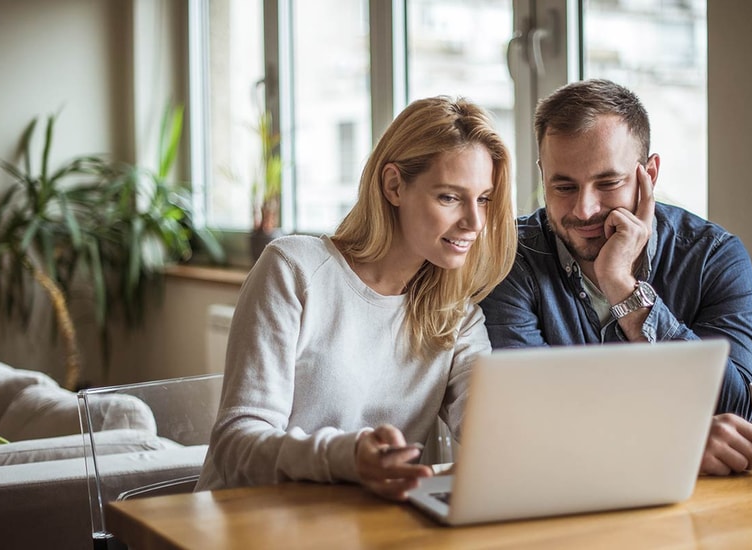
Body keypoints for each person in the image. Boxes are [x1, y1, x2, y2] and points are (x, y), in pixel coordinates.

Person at [196, 96, 516, 500]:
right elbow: (234, 445)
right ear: (394, 185)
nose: (474, 222)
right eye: (450, 197)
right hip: (247, 523)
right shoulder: (294, 270)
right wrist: (346, 458)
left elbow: (488, 428)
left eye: (483, 199)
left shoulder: (457, 315)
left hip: (360, 527)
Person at [479, 79, 752, 476]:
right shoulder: (510, 256)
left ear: (649, 174)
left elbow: (739, 412)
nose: (584, 209)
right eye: (564, 186)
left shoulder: (714, 257)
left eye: (608, 183)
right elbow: (525, 417)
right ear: (542, 174)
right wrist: (674, 439)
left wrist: (623, 287)